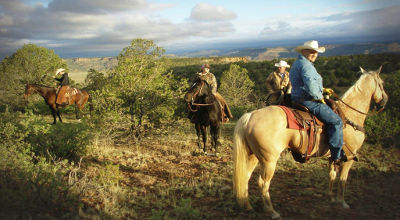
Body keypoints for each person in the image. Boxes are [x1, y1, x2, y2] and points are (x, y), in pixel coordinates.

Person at [289, 40, 346, 164]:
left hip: (297, 98)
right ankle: (337, 155)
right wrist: (319, 96)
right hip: (308, 100)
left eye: (316, 52)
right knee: (336, 121)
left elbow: (305, 83)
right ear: (304, 51)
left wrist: (323, 89)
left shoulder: (299, 62)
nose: (314, 54)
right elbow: (310, 87)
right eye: (311, 51)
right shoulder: (306, 65)